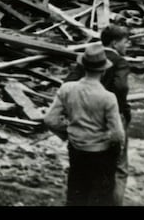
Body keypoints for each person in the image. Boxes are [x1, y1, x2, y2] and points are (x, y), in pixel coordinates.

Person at [45, 43, 125, 207]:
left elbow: (50, 120)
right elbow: (118, 135)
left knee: (76, 193)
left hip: (76, 150)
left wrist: (67, 133)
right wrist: (108, 142)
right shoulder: (108, 97)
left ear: (82, 66)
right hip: (101, 154)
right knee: (100, 198)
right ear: (103, 70)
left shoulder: (67, 89)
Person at [63, 22, 132, 205]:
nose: (127, 45)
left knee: (82, 169)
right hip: (111, 116)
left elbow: (69, 81)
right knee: (118, 167)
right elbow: (121, 86)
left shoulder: (90, 57)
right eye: (126, 41)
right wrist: (118, 106)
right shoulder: (120, 62)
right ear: (116, 43)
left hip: (83, 117)